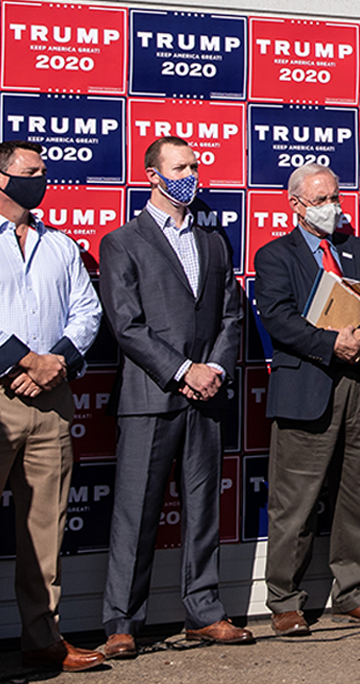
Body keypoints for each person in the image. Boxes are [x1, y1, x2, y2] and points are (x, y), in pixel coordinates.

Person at [99, 136, 249, 657]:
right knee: (135, 512)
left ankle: (203, 611)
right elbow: (127, 325)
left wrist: (213, 370)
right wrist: (183, 369)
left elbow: (231, 315)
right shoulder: (123, 241)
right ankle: (122, 622)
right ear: (152, 175)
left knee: (204, 508)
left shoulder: (212, 242)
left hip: (206, 398)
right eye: (180, 166)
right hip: (150, 397)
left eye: (195, 164)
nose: (192, 173)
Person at [253, 163, 360, 637]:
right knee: (295, 503)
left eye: (335, 197)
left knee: (357, 498)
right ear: (296, 204)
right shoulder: (275, 255)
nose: (332, 207)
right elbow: (277, 317)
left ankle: (354, 594)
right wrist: (329, 342)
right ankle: (284, 601)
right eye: (320, 200)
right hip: (307, 386)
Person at [0, 141, 105, 672]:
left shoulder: (58, 243)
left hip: (53, 400)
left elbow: (86, 309)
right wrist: (19, 363)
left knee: (45, 531)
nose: (42, 179)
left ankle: (42, 640)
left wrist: (54, 363)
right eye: (31, 172)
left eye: (44, 171)